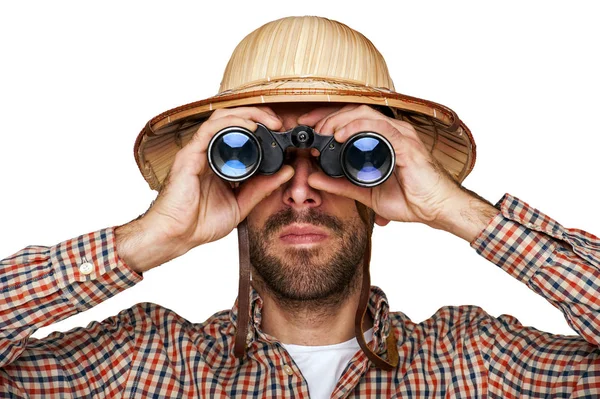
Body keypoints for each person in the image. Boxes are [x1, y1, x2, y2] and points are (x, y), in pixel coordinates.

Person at [1, 15, 599, 398]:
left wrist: (457, 210)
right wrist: (148, 238)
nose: (300, 189)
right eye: (256, 156)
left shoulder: (477, 361)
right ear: (221, 178)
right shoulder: (140, 361)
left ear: (387, 187)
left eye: (355, 156)